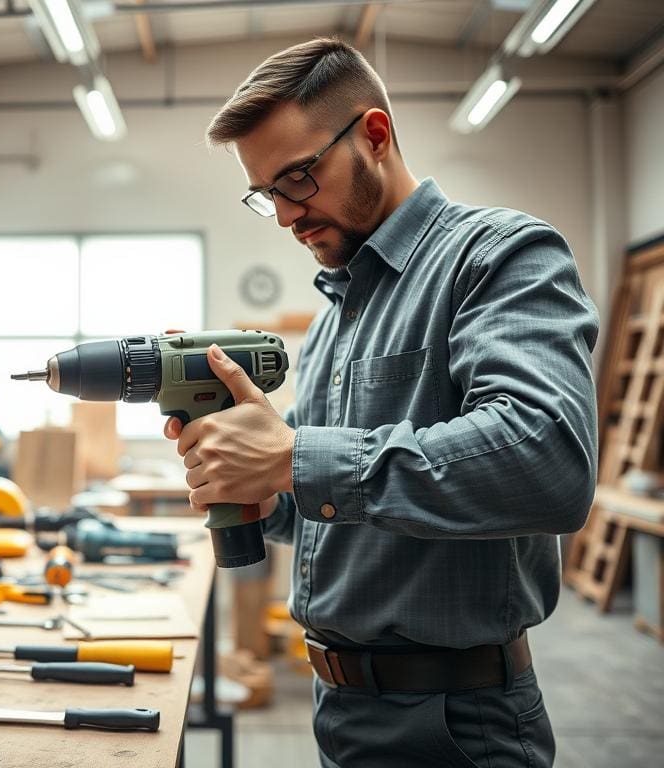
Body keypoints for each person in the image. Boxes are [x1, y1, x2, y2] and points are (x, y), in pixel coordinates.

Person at [163, 37, 598, 767]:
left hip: (453, 721)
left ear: (374, 135)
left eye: (299, 178)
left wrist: (294, 454)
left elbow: (547, 459)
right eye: (267, 193)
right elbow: (329, 504)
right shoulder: (340, 306)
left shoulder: (498, 256)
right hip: (344, 711)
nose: (286, 216)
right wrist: (257, 483)